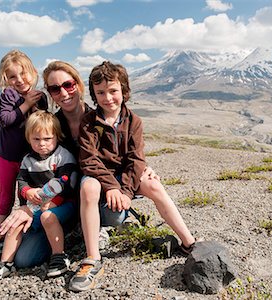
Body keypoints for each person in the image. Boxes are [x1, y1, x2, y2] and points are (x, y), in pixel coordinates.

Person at [0, 61, 157, 268]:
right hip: (56, 203)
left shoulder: (99, 119)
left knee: (114, 214)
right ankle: (68, 230)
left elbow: (125, 152)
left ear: (79, 85)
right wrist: (25, 206)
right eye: (55, 89)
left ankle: (93, 228)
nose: (63, 93)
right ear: (50, 93)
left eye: (68, 85)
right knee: (25, 259)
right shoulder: (50, 128)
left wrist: (145, 168)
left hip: (94, 197)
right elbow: (29, 166)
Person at [68, 61, 197, 292]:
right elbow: (88, 160)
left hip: (124, 178)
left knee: (154, 185)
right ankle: (92, 258)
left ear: (124, 91)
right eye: (100, 93)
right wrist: (112, 188)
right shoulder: (89, 122)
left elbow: (136, 160)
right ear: (94, 95)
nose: (107, 98)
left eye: (113, 91)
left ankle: (189, 242)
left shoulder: (134, 121)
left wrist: (126, 190)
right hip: (99, 177)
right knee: (88, 188)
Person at [0, 111, 77, 284]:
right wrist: (27, 192)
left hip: (62, 206)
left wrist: (55, 201)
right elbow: (22, 181)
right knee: (17, 221)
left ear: (57, 136)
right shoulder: (27, 160)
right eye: (36, 139)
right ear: (29, 138)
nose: (42, 144)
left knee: (48, 217)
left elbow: (67, 183)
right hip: (37, 205)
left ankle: (59, 256)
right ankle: (5, 262)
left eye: (47, 139)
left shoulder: (63, 156)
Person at [0, 49, 47, 252]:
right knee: (6, 197)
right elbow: (6, 120)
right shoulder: (9, 94)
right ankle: (1, 236)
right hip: (7, 157)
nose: (19, 79)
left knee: (26, 196)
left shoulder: (40, 97)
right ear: (5, 79)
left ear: (32, 72)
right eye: (12, 76)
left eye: (23, 73)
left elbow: (43, 123)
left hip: (28, 159)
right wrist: (26, 104)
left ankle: (24, 232)